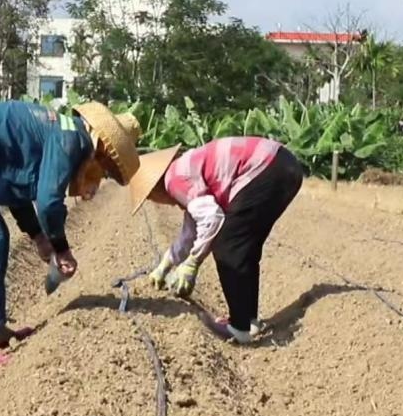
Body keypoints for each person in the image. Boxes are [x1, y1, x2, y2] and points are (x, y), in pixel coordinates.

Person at [0, 100, 140, 368]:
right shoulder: (73, 141)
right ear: (105, 148)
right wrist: (61, 247)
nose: (103, 172)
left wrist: (38, 236)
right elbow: (48, 201)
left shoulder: (64, 131)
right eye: (107, 166)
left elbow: (16, 185)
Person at [127, 136, 303, 344]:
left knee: (228, 247)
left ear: (154, 187)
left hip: (269, 166)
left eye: (150, 197)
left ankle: (239, 328)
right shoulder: (183, 170)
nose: (155, 202)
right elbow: (191, 231)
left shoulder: (173, 180)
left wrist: (192, 264)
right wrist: (167, 264)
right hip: (282, 164)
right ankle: (247, 320)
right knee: (244, 248)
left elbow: (212, 219)